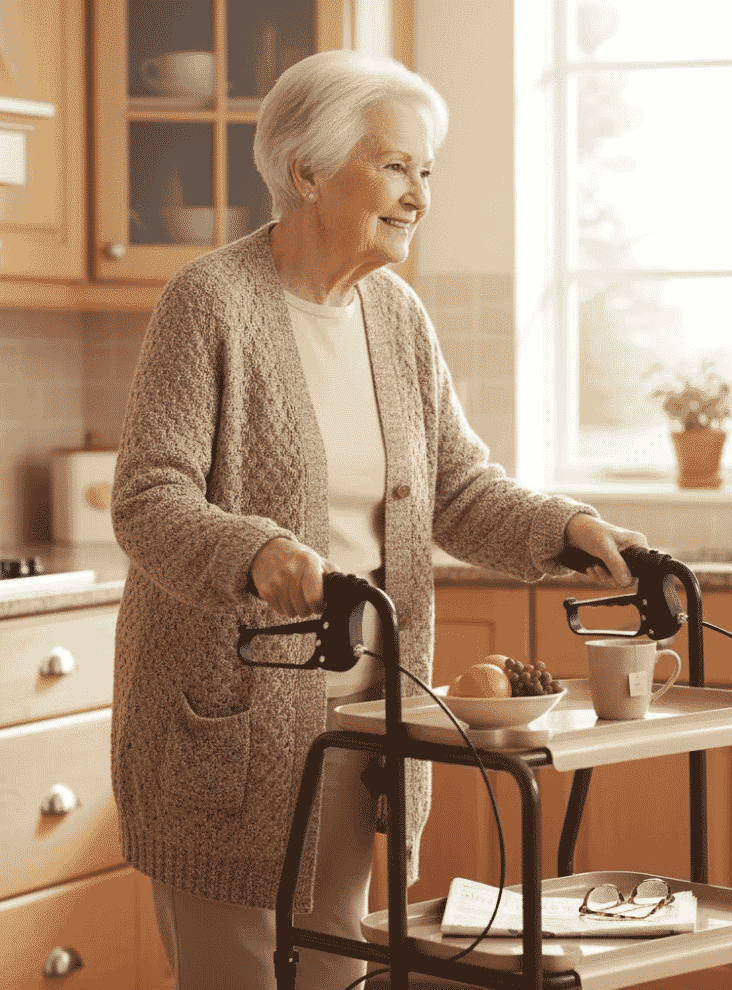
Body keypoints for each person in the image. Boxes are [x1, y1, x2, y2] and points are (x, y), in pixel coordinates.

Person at [110, 49, 647, 990]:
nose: (419, 197)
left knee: (342, 973)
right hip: (231, 737)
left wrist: (567, 531)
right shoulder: (210, 303)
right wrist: (257, 550)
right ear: (307, 170)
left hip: (369, 728)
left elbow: (459, 489)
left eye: (425, 172)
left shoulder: (394, 315)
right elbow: (150, 501)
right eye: (396, 167)